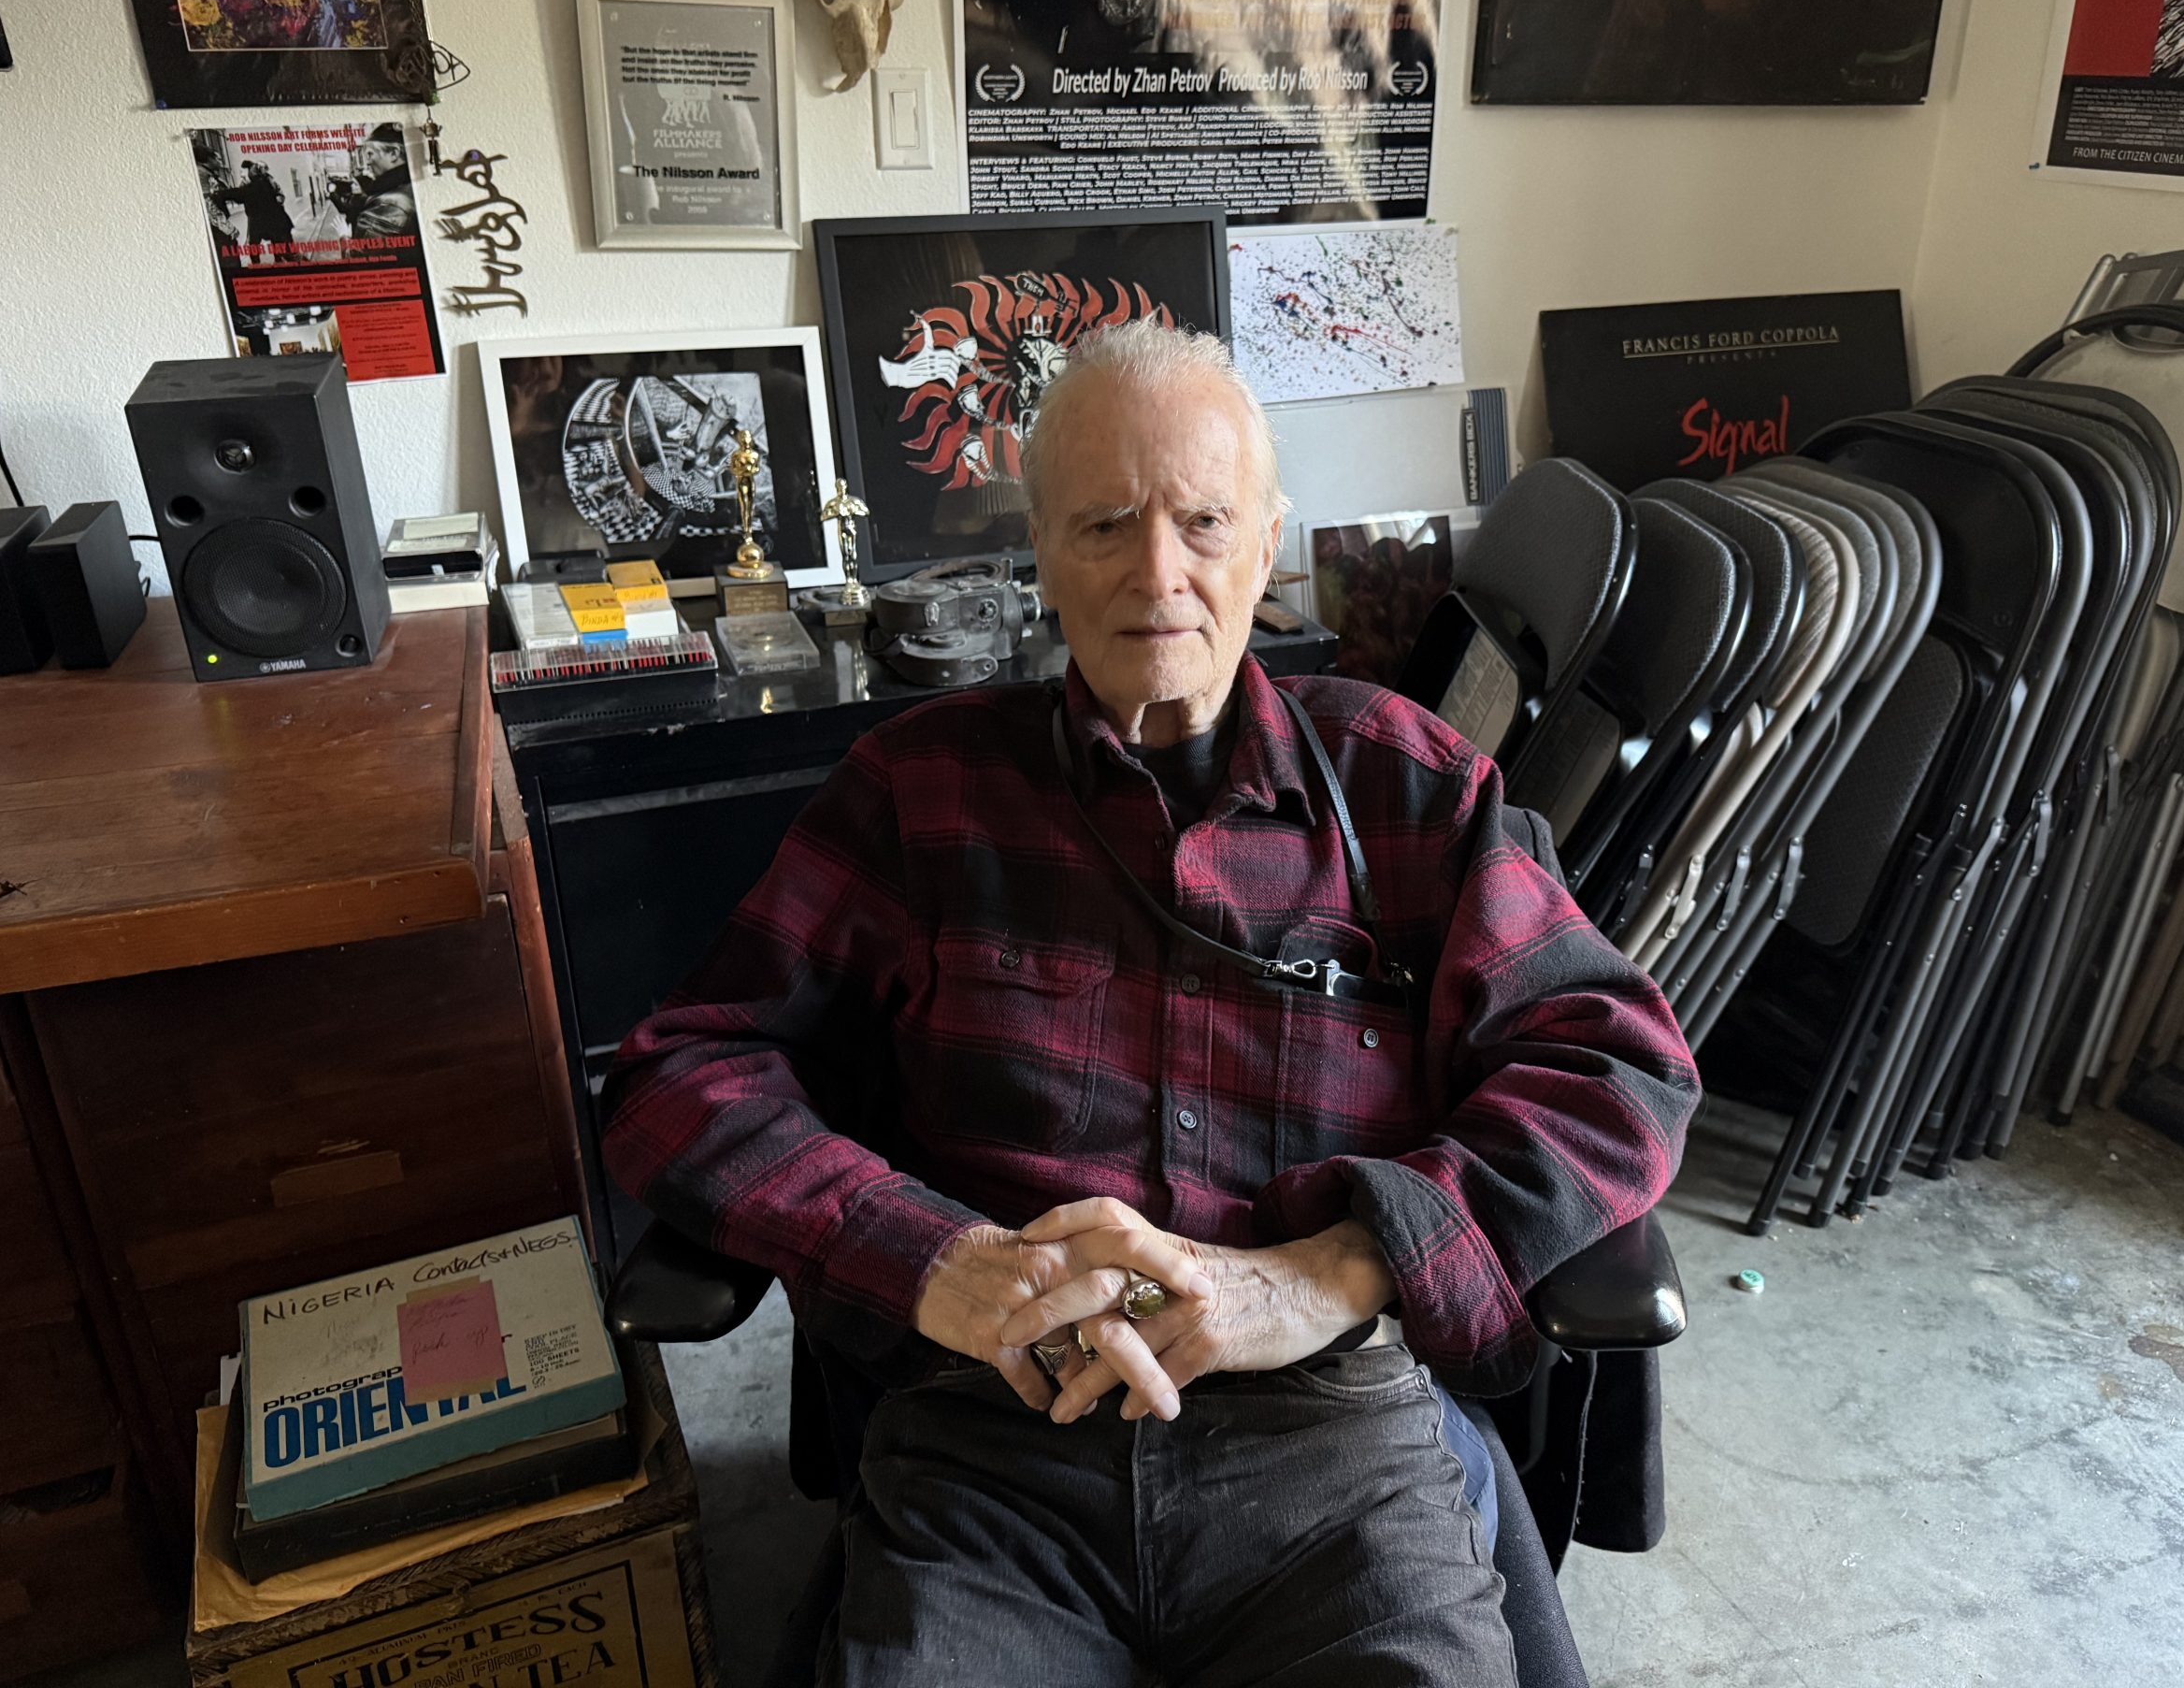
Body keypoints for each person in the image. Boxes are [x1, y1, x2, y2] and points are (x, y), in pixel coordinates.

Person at [602, 320, 1700, 1686]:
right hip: (995, 1443)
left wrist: (1329, 1273)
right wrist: (925, 1258)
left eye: (1202, 521)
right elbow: (682, 1074)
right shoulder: (916, 794)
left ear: (1266, 543)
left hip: (1324, 1442)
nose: (1159, 574)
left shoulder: (1408, 789)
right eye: (1107, 525)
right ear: (1043, 557)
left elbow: (1617, 1071)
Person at [331, 124, 416, 239]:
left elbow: (359, 256)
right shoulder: (411, 186)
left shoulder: (386, 205)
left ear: (394, 153)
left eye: (370, 154)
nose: (368, 162)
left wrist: (344, 237)